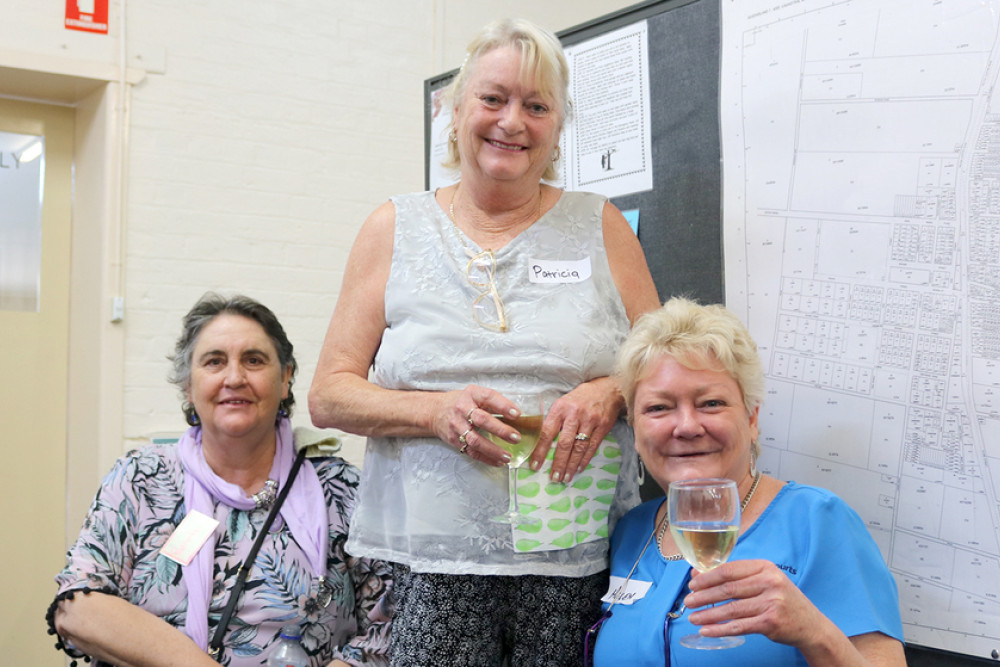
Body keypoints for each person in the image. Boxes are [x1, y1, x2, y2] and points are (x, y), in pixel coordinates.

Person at [308, 17, 659, 666]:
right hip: (433, 560)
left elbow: (669, 369)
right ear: (454, 110)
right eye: (493, 98)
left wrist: (610, 389)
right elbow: (329, 395)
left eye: (536, 105)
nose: (512, 121)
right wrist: (432, 410)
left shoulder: (601, 225)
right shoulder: (393, 228)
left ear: (557, 127)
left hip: (573, 553)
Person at [48, 293, 392, 667]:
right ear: (187, 387)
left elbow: (386, 630)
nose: (234, 377)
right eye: (214, 362)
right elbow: (77, 606)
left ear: (285, 379)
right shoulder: (140, 480)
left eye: (254, 360)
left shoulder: (342, 491)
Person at [589, 296, 906, 665]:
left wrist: (813, 631)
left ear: (752, 420)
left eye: (710, 403)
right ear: (636, 428)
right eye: (658, 408)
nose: (687, 426)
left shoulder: (817, 521)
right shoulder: (632, 531)